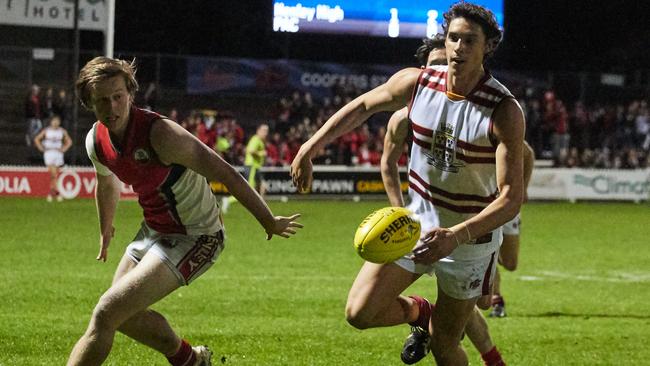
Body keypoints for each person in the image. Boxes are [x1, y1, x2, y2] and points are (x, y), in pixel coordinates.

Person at [291, 2, 524, 365]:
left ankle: (447, 331)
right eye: (453, 38)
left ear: (488, 46)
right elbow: (363, 106)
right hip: (415, 227)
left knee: (446, 346)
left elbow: (511, 198)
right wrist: (310, 146)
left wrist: (456, 234)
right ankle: (420, 313)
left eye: (469, 40)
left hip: (469, 242)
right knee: (359, 312)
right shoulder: (418, 83)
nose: (459, 47)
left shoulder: (503, 109)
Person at [68, 56, 303, 366]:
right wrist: (105, 229)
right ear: (89, 103)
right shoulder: (96, 141)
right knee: (123, 317)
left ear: (131, 93)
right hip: (153, 230)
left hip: (197, 236)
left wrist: (268, 220)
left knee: (106, 312)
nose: (112, 107)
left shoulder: (162, 134)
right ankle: (190, 360)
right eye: (102, 101)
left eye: (118, 97)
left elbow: (226, 172)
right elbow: (106, 182)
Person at [381, 35, 505, 365]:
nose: (442, 70)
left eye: (444, 63)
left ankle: (476, 348)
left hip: (468, 229)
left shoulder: (483, 112)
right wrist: (400, 211)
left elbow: (524, 158)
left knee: (479, 305)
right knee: (442, 327)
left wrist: (505, 209)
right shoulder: (407, 114)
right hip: (422, 224)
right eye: (434, 65)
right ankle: (428, 321)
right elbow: (387, 162)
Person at [489, 141, 535, 318]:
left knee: (510, 263)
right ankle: (496, 300)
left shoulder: (500, 133)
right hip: (483, 202)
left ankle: (495, 250)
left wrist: (524, 187)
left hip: (507, 203)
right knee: (488, 254)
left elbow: (528, 154)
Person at [221, 123, 269, 213]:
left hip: (256, 167)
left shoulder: (260, 140)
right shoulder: (256, 139)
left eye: (267, 131)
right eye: (264, 130)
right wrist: (261, 153)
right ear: (258, 131)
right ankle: (228, 200)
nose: (266, 133)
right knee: (249, 191)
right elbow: (249, 150)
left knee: (263, 186)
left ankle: (262, 209)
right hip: (252, 167)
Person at [33, 114, 73, 202]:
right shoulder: (46, 131)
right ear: (51, 122)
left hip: (58, 153)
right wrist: (41, 148)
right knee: (53, 174)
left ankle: (52, 193)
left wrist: (64, 149)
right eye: (54, 121)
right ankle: (56, 193)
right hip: (49, 153)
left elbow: (69, 141)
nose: (55, 123)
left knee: (55, 175)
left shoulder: (62, 131)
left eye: (57, 121)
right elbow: (37, 139)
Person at [25, 84, 43, 148]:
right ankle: (30, 139)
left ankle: (31, 138)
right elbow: (28, 108)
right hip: (31, 117)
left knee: (39, 127)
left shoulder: (37, 98)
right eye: (36, 90)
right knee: (31, 129)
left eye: (37, 90)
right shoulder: (29, 98)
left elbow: (39, 107)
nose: (37, 92)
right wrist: (32, 114)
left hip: (37, 116)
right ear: (33, 91)